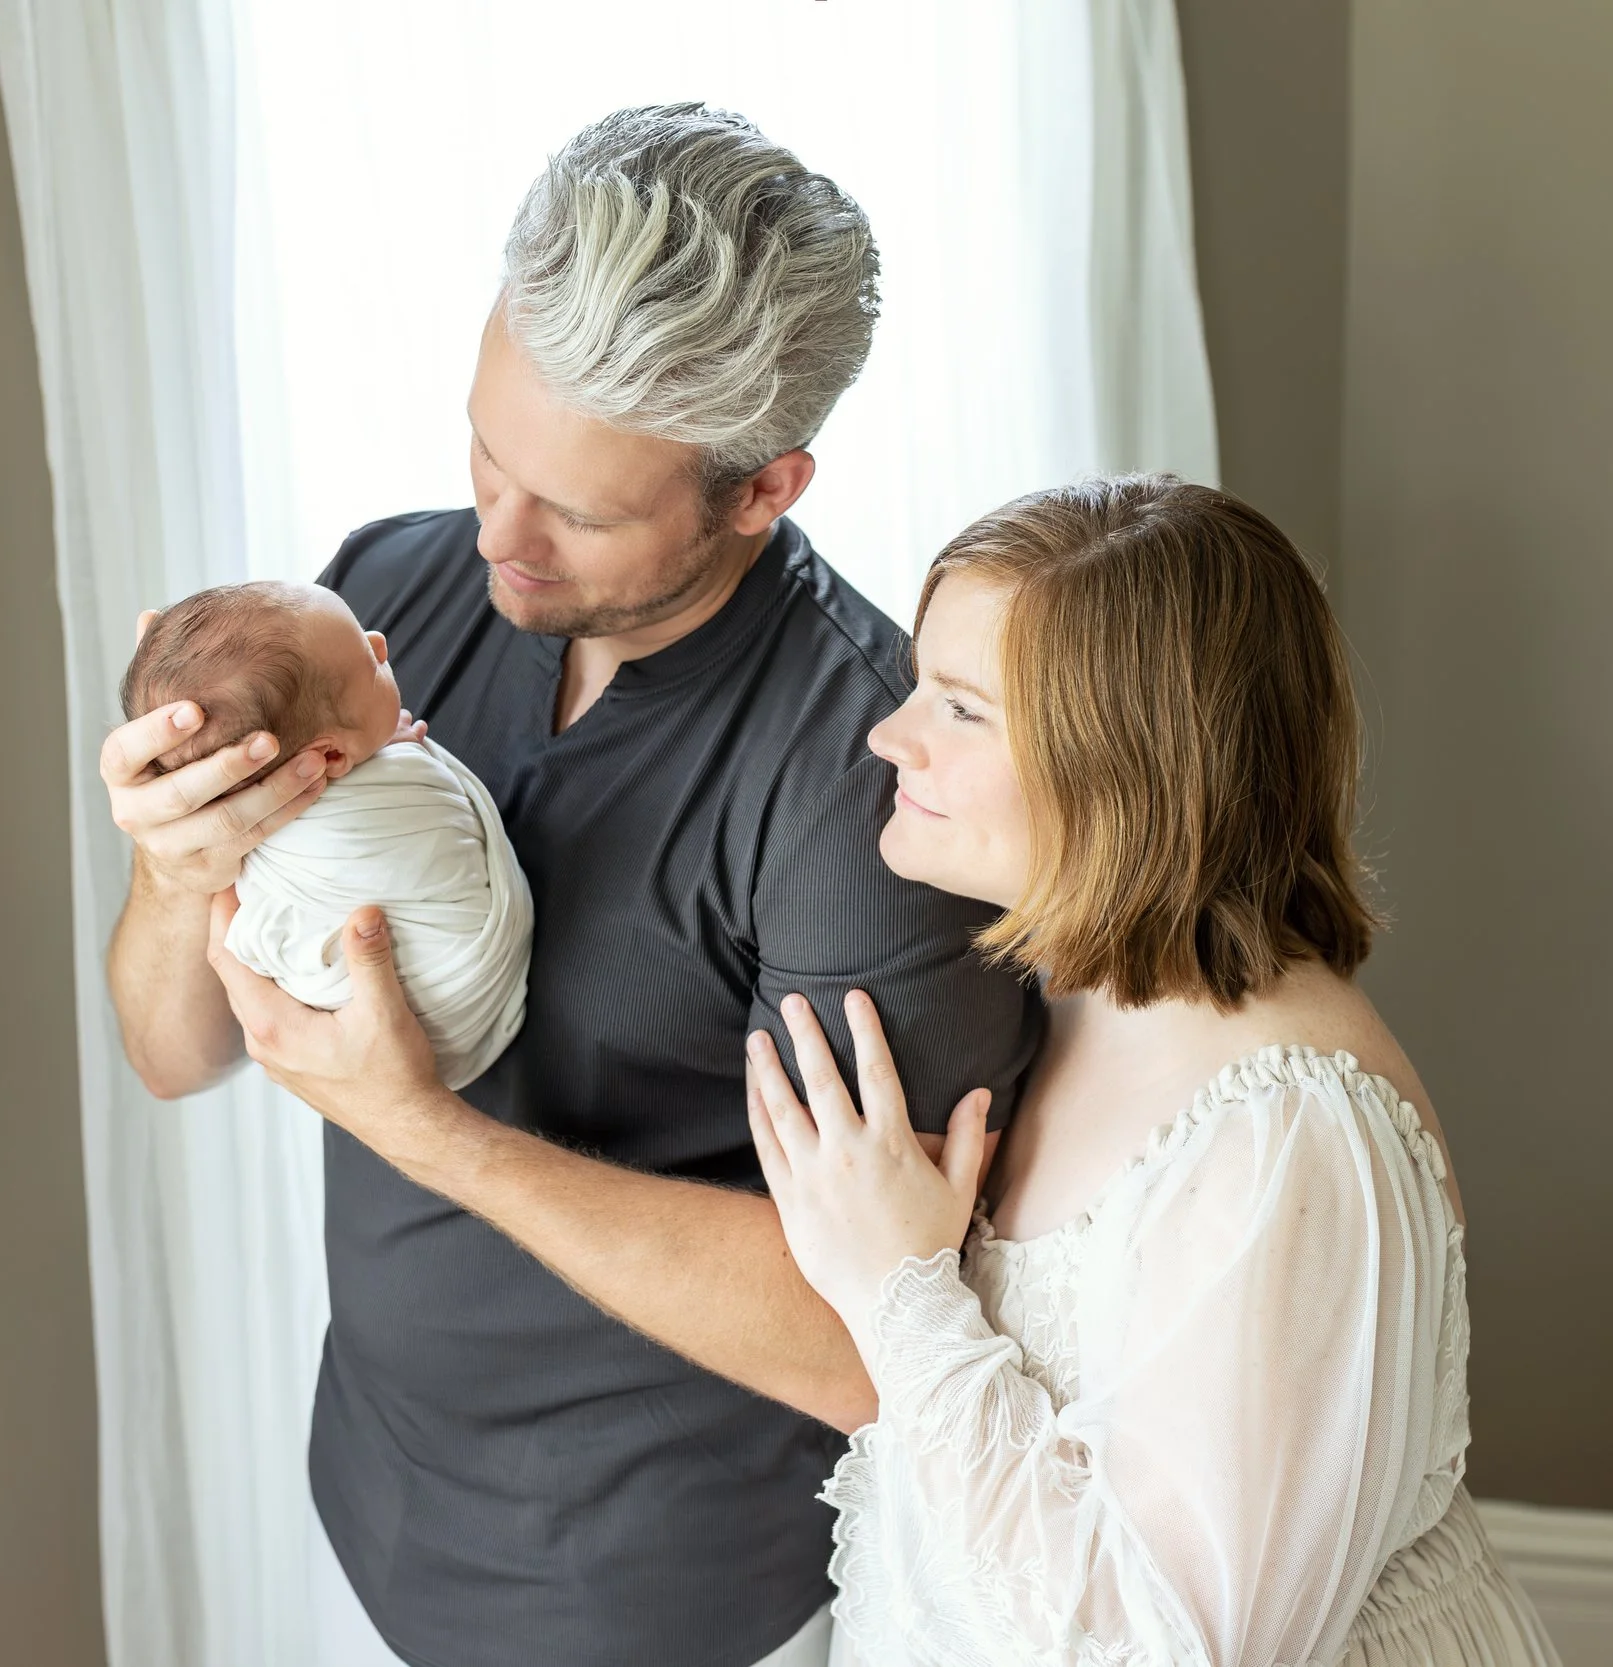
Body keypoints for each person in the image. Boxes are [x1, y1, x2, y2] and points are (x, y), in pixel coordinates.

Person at [100, 103, 1043, 1667]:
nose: (495, 532)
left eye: (581, 510)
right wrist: (170, 866)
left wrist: (423, 1129)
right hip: (385, 1500)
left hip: (662, 1601)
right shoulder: (382, 602)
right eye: (486, 445)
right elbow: (170, 1050)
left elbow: (884, 1345)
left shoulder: (870, 792)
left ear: (763, 489)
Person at [743, 476, 1566, 1665]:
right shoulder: (1057, 999)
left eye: (963, 710)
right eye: (921, 681)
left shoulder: (1287, 1134)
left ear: (1126, 766)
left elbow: (1177, 1647)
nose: (888, 735)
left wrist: (896, 1288)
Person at [119, 580, 530, 1090]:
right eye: (369, 661)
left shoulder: (307, 666)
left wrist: (381, 755)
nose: (380, 640)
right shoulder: (332, 609)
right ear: (332, 757)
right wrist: (167, 865)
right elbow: (167, 1070)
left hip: (447, 1017)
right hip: (457, 997)